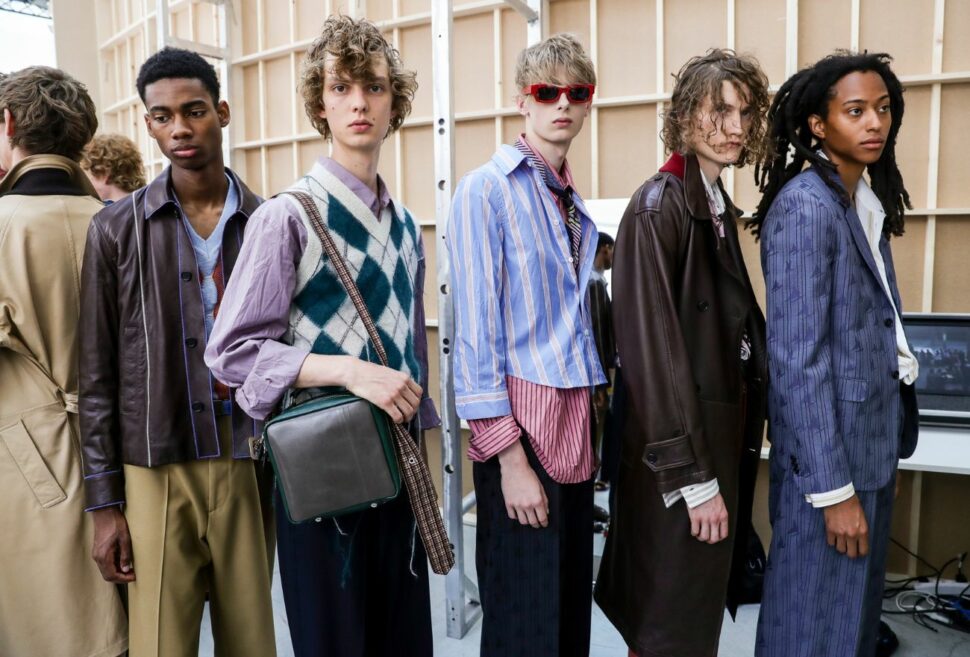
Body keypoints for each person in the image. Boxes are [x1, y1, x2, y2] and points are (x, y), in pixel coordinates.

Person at [205, 16, 443, 657]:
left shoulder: (404, 227)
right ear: (320, 105)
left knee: (403, 640)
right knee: (334, 641)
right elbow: (230, 353)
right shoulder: (288, 215)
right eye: (341, 88)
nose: (358, 102)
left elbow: (412, 355)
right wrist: (349, 371)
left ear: (394, 104)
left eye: (373, 87)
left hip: (397, 464)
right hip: (323, 465)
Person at [79, 47, 276, 657]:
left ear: (222, 112)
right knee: (161, 643)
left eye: (194, 111)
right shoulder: (115, 229)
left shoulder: (269, 222)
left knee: (251, 641)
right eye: (163, 117)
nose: (180, 129)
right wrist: (105, 504)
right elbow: (96, 374)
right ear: (148, 125)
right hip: (154, 464)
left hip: (248, 456)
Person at [594, 49, 771, 657]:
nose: (734, 127)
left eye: (744, 113)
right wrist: (694, 480)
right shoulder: (658, 205)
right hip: (679, 460)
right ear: (684, 115)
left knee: (688, 626)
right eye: (718, 111)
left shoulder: (714, 204)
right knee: (665, 629)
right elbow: (652, 357)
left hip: (714, 444)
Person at [750, 51, 919, 657]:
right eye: (856, 111)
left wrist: (881, 458)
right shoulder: (805, 208)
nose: (875, 122)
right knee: (809, 630)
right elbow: (798, 363)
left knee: (849, 628)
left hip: (866, 450)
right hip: (828, 470)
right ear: (818, 125)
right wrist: (835, 492)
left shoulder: (859, 200)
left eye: (883, 108)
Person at [447, 33, 605, 657]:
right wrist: (510, 463)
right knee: (524, 623)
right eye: (546, 91)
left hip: (574, 431)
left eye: (576, 92)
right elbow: (476, 341)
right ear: (523, 101)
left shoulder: (566, 198)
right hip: (521, 438)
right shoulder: (487, 190)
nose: (562, 103)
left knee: (566, 622)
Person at [0, 65, 128, 657]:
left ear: (8, 123)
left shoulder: (4, 226)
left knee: (48, 629)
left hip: (25, 465)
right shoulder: (125, 224)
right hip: (129, 458)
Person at [589, 231, 615, 499]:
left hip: (596, 376)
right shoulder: (593, 283)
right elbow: (597, 334)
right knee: (592, 440)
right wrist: (600, 384)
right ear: (605, 248)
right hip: (596, 378)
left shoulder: (594, 280)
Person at [81, 133, 147, 203]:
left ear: (103, 172)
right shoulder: (147, 203)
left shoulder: (101, 208)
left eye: (86, 177)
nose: (84, 185)